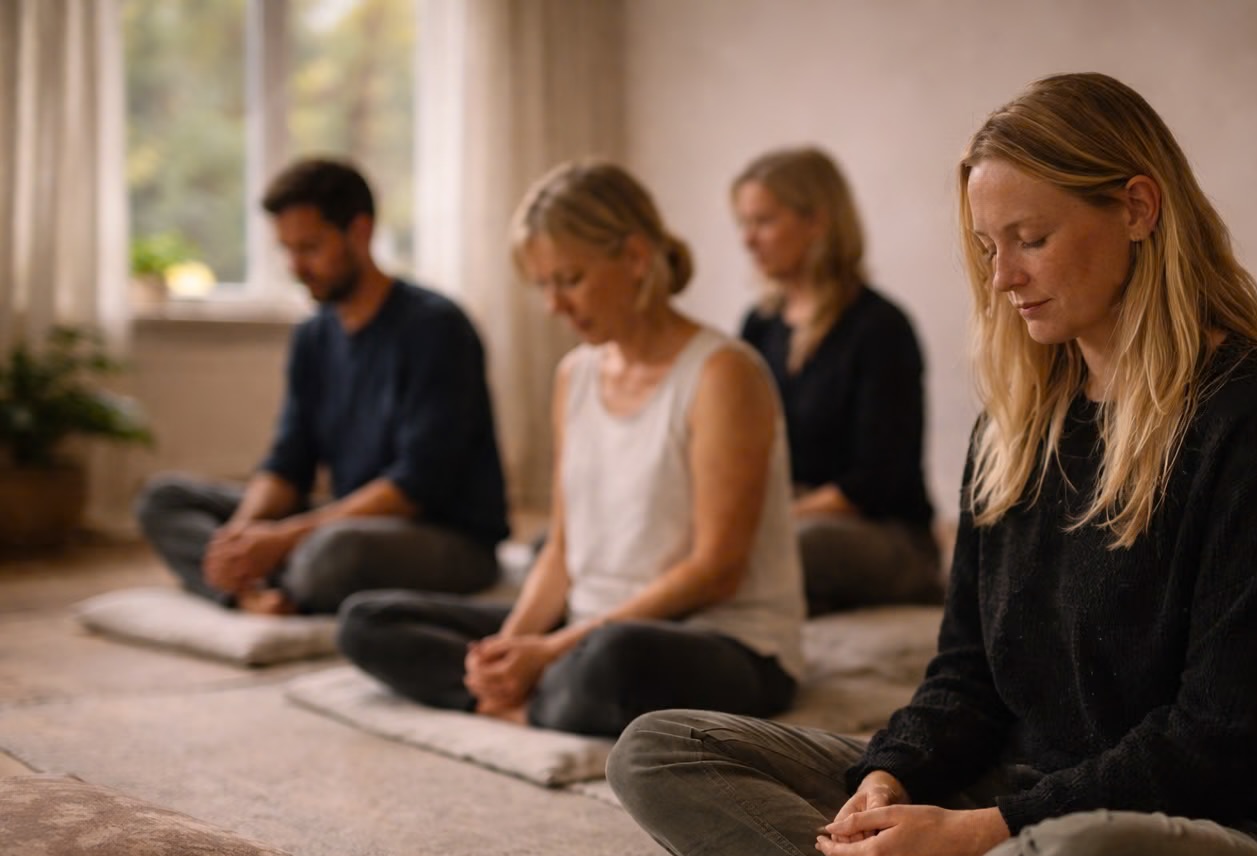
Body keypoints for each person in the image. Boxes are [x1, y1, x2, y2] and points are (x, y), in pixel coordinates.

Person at [610, 73, 1257, 856]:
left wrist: (974, 836)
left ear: (1139, 208)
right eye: (987, 247)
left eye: (1031, 239)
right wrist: (888, 780)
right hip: (1029, 804)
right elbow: (967, 677)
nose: (1001, 277)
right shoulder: (1017, 424)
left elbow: (1229, 745)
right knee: (661, 751)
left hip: (1247, 843)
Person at [334, 161, 804, 737]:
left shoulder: (724, 375)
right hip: (584, 626)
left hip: (717, 639)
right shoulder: (574, 375)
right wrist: (511, 647)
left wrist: (555, 649)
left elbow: (716, 572)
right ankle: (520, 695)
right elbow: (561, 547)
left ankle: (534, 699)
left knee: (611, 662)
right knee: (367, 621)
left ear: (634, 258)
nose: (554, 305)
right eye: (542, 285)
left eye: (570, 279)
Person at [135, 157, 509, 616]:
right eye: (286, 250)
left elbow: (417, 487)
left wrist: (286, 538)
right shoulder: (312, 336)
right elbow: (289, 462)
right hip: (345, 518)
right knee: (163, 500)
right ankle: (248, 587)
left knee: (332, 554)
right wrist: (243, 534)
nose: (296, 266)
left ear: (360, 232)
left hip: (444, 537)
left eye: (309, 248)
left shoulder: (437, 328)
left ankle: (270, 582)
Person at [732, 147, 943, 615]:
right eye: (743, 224)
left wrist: (770, 522)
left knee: (792, 545)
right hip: (786, 515)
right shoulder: (759, 325)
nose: (748, 239)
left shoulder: (880, 327)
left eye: (764, 221)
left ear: (817, 222)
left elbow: (876, 481)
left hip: (883, 533)